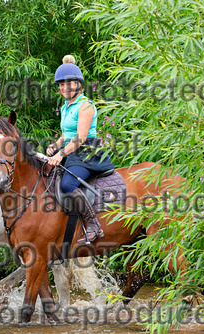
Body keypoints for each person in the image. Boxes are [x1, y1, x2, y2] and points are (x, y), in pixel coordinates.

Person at [47, 55, 115, 244]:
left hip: (86, 152)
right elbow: (65, 135)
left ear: (78, 84)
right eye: (61, 84)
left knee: (68, 184)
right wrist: (55, 146)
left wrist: (61, 154)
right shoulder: (65, 106)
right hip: (71, 151)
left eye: (68, 83)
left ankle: (93, 225)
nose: (64, 88)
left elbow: (80, 138)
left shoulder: (86, 105)